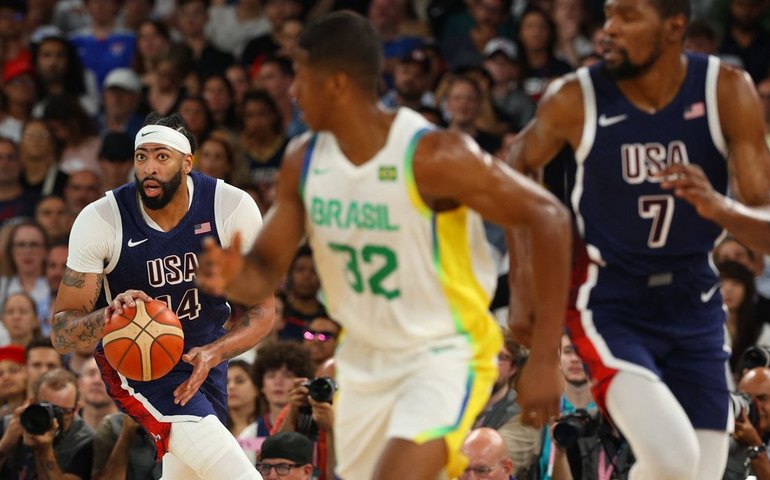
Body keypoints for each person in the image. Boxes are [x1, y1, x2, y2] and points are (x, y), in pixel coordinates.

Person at [197, 11, 571, 480]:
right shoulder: (304, 159)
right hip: (364, 358)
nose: (292, 93)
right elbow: (265, 269)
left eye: (301, 77)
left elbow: (549, 218)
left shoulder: (432, 153)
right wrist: (231, 276)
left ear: (336, 84)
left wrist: (543, 355)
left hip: (444, 352)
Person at [505, 1, 770, 479]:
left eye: (627, 16)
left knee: (700, 474)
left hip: (694, 299)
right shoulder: (577, 95)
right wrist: (527, 304)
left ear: (673, 29)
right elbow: (516, 164)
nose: (608, 29)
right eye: (608, 15)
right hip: (611, 302)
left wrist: (720, 208)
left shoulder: (725, 90)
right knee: (673, 460)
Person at [50, 112, 275, 479]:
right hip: (140, 369)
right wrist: (108, 315)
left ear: (187, 163)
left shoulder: (230, 207)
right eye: (142, 157)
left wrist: (214, 353)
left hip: (206, 359)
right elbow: (61, 333)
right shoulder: (102, 219)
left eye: (161, 156)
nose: (149, 168)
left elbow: (263, 311)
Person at [0, 367, 94, 479]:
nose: (54, 418)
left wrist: (44, 451)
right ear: (32, 402)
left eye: (63, 412)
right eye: (47, 409)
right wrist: (5, 444)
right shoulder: (10, 425)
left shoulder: (85, 441)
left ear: (76, 409)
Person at [724, 367, 770, 480]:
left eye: (762, 398)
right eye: (746, 399)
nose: (754, 406)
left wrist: (755, 445)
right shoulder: (729, 436)